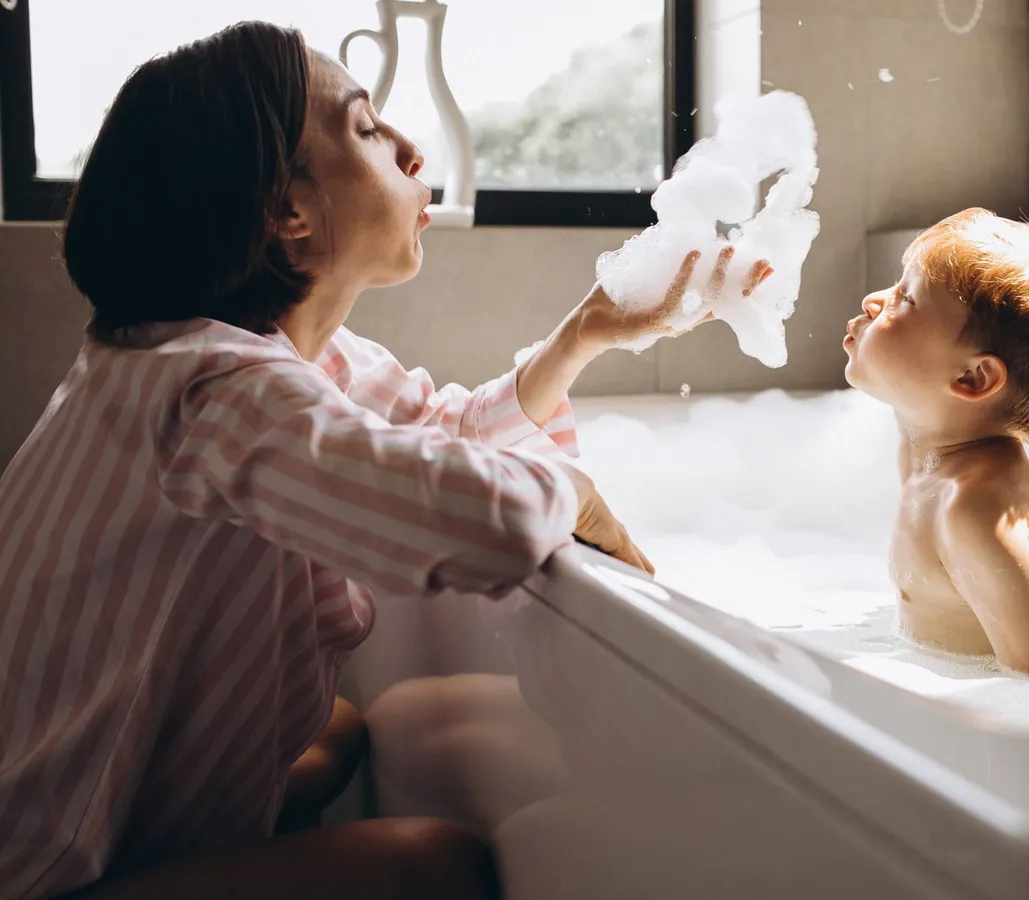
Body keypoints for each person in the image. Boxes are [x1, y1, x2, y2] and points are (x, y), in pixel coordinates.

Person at [0, 21, 769, 900]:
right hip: (36, 874)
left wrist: (585, 334)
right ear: (287, 213)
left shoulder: (240, 356)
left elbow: (440, 432)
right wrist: (576, 495)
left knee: (336, 734)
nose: (408, 148)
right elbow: (482, 518)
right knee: (438, 868)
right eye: (365, 128)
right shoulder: (213, 394)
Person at [842, 208, 1029, 676]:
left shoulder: (979, 510)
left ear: (974, 377)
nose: (874, 301)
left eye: (905, 300)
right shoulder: (925, 455)